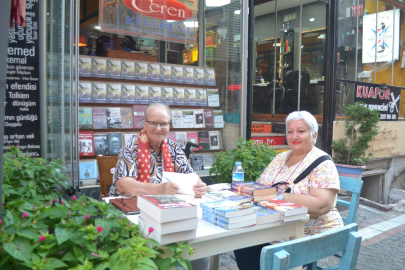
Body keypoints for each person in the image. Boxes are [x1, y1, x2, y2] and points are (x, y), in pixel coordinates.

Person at [234, 111, 343, 270]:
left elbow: (321, 205)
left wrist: (279, 196)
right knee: (242, 242)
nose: (294, 136)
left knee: (258, 252)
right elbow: (260, 186)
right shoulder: (280, 158)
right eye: (290, 131)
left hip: (308, 234)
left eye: (301, 131)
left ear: (314, 135)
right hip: (276, 227)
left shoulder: (323, 162)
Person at [109, 102, 208, 198]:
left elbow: (190, 175)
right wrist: (158, 190)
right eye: (153, 123)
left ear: (169, 126)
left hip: (164, 203)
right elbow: (123, 184)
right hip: (130, 203)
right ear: (145, 124)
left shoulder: (173, 147)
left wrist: (200, 186)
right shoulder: (131, 147)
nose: (158, 128)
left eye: (164, 124)